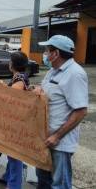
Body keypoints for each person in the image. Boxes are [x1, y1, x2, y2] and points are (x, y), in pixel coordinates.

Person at [35, 35, 88, 189]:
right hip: (45, 139)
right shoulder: (52, 71)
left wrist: (57, 136)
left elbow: (81, 111)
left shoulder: (75, 74)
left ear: (56, 53)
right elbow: (49, 93)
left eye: (46, 50)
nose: (45, 53)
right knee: (43, 180)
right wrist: (38, 89)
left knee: (60, 185)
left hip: (60, 143)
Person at [1, 51, 30, 189]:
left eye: (10, 61)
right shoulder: (20, 76)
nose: (8, 63)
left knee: (14, 156)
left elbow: (12, 96)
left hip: (16, 123)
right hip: (16, 122)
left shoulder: (18, 79)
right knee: (12, 154)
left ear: (13, 64)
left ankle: (14, 185)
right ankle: (8, 177)